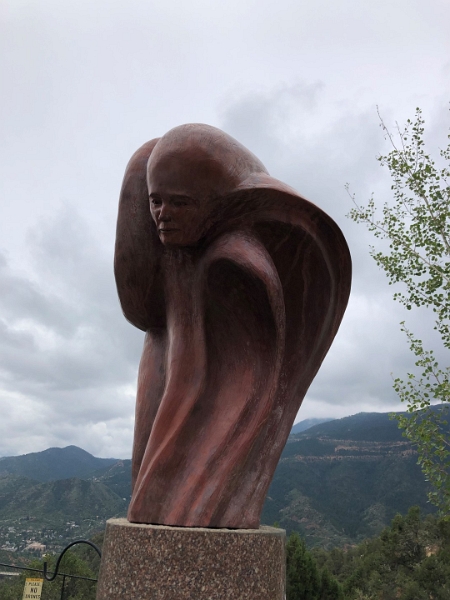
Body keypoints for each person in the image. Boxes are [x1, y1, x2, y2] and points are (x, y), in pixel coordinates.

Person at [114, 124, 351, 528]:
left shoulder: (237, 258)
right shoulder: (173, 262)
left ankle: (188, 503)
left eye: (181, 203)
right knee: (146, 489)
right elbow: (138, 310)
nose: (163, 215)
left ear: (217, 203)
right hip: (166, 357)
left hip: (201, 402)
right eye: (155, 201)